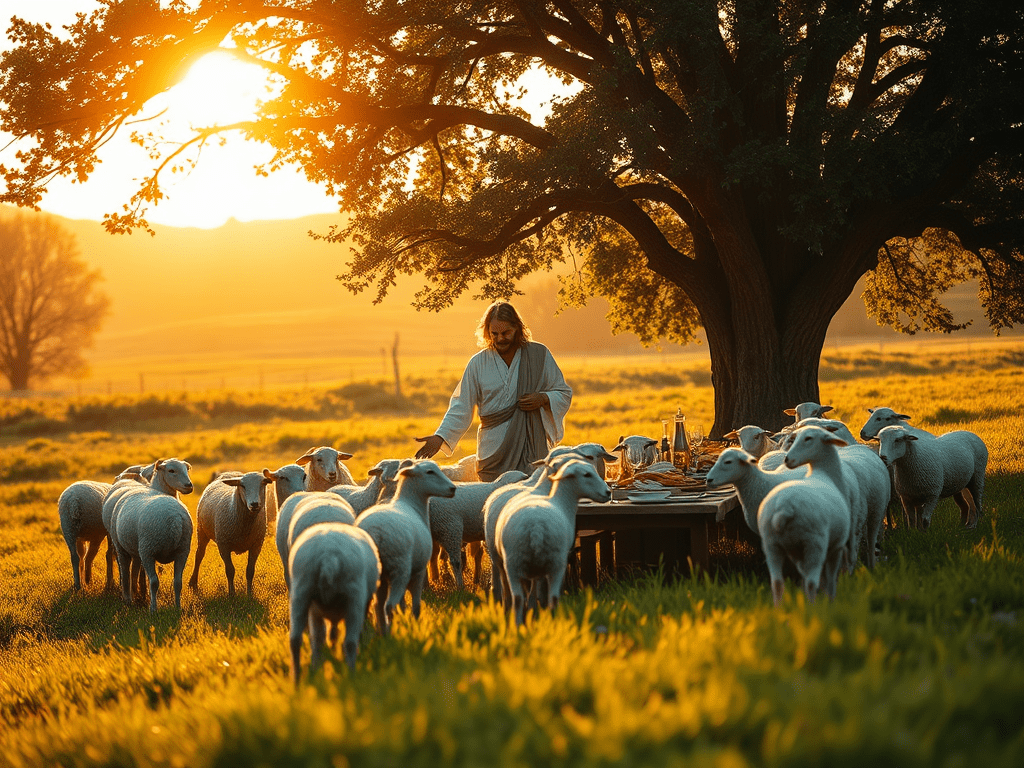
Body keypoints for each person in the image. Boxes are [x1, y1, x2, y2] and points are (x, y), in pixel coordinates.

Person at [414, 301, 573, 481]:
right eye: (494, 334)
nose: (500, 339)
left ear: (517, 328)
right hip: (493, 450)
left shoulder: (539, 354)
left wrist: (543, 398)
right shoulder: (478, 363)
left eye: (506, 333)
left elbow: (563, 392)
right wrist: (440, 436)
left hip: (531, 448)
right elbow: (461, 406)